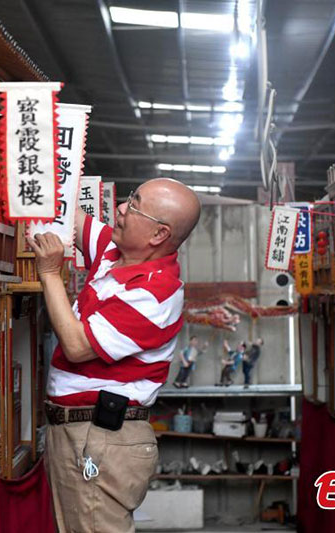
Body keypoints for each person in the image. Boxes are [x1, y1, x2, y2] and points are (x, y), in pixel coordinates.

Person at [28, 178, 201, 532]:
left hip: (101, 436)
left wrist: (49, 273)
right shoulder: (114, 251)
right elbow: (67, 212)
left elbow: (77, 347)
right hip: (83, 431)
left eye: (133, 205)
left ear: (158, 235)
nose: (120, 208)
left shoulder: (155, 292)